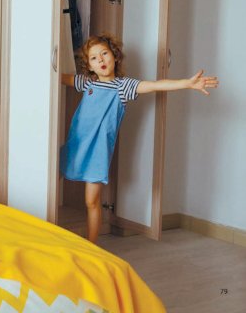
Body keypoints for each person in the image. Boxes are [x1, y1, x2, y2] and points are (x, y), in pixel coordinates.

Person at [60, 33, 218, 243]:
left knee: (91, 201)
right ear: (89, 65)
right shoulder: (87, 83)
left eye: (104, 53)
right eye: (94, 58)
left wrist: (187, 83)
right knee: (51, 178)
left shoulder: (123, 86)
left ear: (115, 56)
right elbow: (57, 76)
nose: (101, 60)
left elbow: (155, 85)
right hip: (76, 144)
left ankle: (92, 246)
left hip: (98, 152)